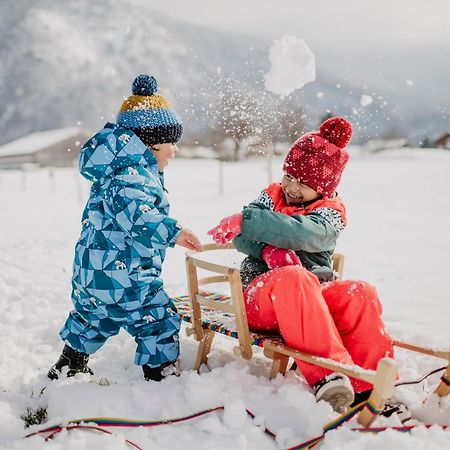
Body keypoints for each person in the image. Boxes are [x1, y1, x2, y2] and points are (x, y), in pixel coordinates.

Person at [208, 117, 397, 413]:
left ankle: (370, 384)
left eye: (305, 183)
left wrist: (251, 223)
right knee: (293, 277)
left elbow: (303, 232)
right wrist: (268, 249)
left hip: (312, 299)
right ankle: (329, 377)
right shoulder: (271, 195)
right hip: (261, 299)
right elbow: (241, 239)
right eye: (289, 176)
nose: (293, 187)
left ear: (324, 187)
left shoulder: (330, 215)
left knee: (359, 291)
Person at [48, 74, 202, 382]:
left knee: (92, 319)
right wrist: (174, 232)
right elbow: (139, 218)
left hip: (94, 274)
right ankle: (163, 377)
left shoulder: (120, 168)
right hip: (124, 275)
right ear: (153, 144)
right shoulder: (130, 175)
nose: (175, 151)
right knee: (157, 320)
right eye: (172, 144)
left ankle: (70, 365)